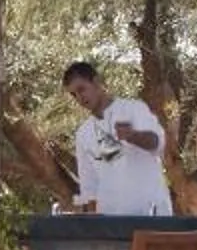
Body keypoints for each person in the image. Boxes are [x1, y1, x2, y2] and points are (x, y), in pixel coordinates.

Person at [62, 61, 175, 217]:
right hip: (111, 219)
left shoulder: (133, 109)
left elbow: (158, 143)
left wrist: (133, 136)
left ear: (96, 82)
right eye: (74, 95)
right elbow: (89, 186)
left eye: (82, 89)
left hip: (149, 213)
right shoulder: (83, 134)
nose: (80, 98)